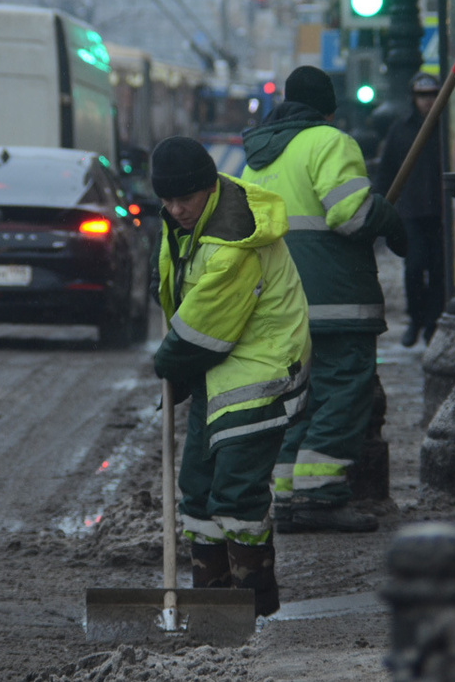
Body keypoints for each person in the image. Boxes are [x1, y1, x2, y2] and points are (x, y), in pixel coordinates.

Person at [239, 65, 408, 533]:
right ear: (328, 109)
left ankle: (289, 497)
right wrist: (389, 217)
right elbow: (350, 216)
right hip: (335, 300)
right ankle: (321, 496)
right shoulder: (330, 143)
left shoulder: (256, 157)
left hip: (277, 302)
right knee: (342, 393)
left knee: (296, 400)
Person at [149, 136, 311, 616]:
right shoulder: (191, 221)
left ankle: (251, 604)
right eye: (168, 199)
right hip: (218, 373)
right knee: (197, 489)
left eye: (185, 198)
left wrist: (168, 364)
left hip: (259, 371)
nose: (176, 209)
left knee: (237, 492)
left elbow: (203, 332)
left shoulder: (232, 241)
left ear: (210, 187)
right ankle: (211, 604)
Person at [373, 71, 447, 347]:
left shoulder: (445, 127)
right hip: (413, 212)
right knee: (414, 269)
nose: (427, 102)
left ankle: (431, 323)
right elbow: (386, 170)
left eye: (432, 96)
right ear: (413, 98)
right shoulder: (400, 129)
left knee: (439, 271)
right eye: (422, 96)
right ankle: (416, 320)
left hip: (440, 213)